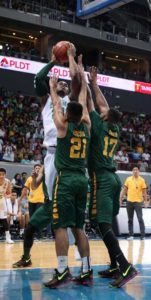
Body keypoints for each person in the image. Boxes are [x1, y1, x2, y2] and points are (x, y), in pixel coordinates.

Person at [12, 43, 81, 268]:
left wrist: (71, 62)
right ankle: (27, 255)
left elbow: (78, 84)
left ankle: (77, 256)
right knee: (36, 220)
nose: (62, 83)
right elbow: (37, 79)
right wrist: (53, 61)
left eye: (64, 83)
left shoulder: (71, 105)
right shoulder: (47, 101)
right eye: (59, 82)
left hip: (67, 156)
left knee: (64, 205)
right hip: (51, 156)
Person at [87, 66, 137, 288]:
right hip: (114, 178)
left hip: (103, 179)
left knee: (101, 223)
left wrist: (86, 82)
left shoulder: (98, 125)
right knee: (105, 224)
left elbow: (91, 104)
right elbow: (104, 106)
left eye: (103, 113)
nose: (101, 112)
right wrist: (96, 83)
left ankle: (125, 266)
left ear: (105, 118)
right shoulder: (114, 127)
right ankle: (115, 265)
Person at [44, 67, 92, 288]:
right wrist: (82, 81)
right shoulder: (87, 126)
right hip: (82, 179)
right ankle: (86, 269)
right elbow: (81, 102)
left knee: (60, 226)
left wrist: (53, 89)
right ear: (81, 114)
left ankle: (62, 271)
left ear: (67, 115)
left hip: (65, 179)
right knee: (79, 227)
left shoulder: (62, 127)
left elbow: (55, 105)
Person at [120, 166, 147, 240]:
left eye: (137, 170)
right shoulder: (128, 179)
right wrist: (120, 198)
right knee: (130, 219)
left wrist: (145, 201)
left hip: (138, 202)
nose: (135, 171)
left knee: (140, 218)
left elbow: (144, 192)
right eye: (134, 170)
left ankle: (143, 235)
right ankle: (131, 235)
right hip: (129, 201)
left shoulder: (142, 180)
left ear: (139, 171)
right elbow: (124, 190)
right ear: (132, 171)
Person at [0, 168, 14, 243]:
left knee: (4, 220)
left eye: (3, 174)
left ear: (5, 175)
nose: (1, 176)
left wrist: (6, 196)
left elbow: (9, 193)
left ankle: (8, 237)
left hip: (2, 202)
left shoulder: (7, 181)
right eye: (0, 174)